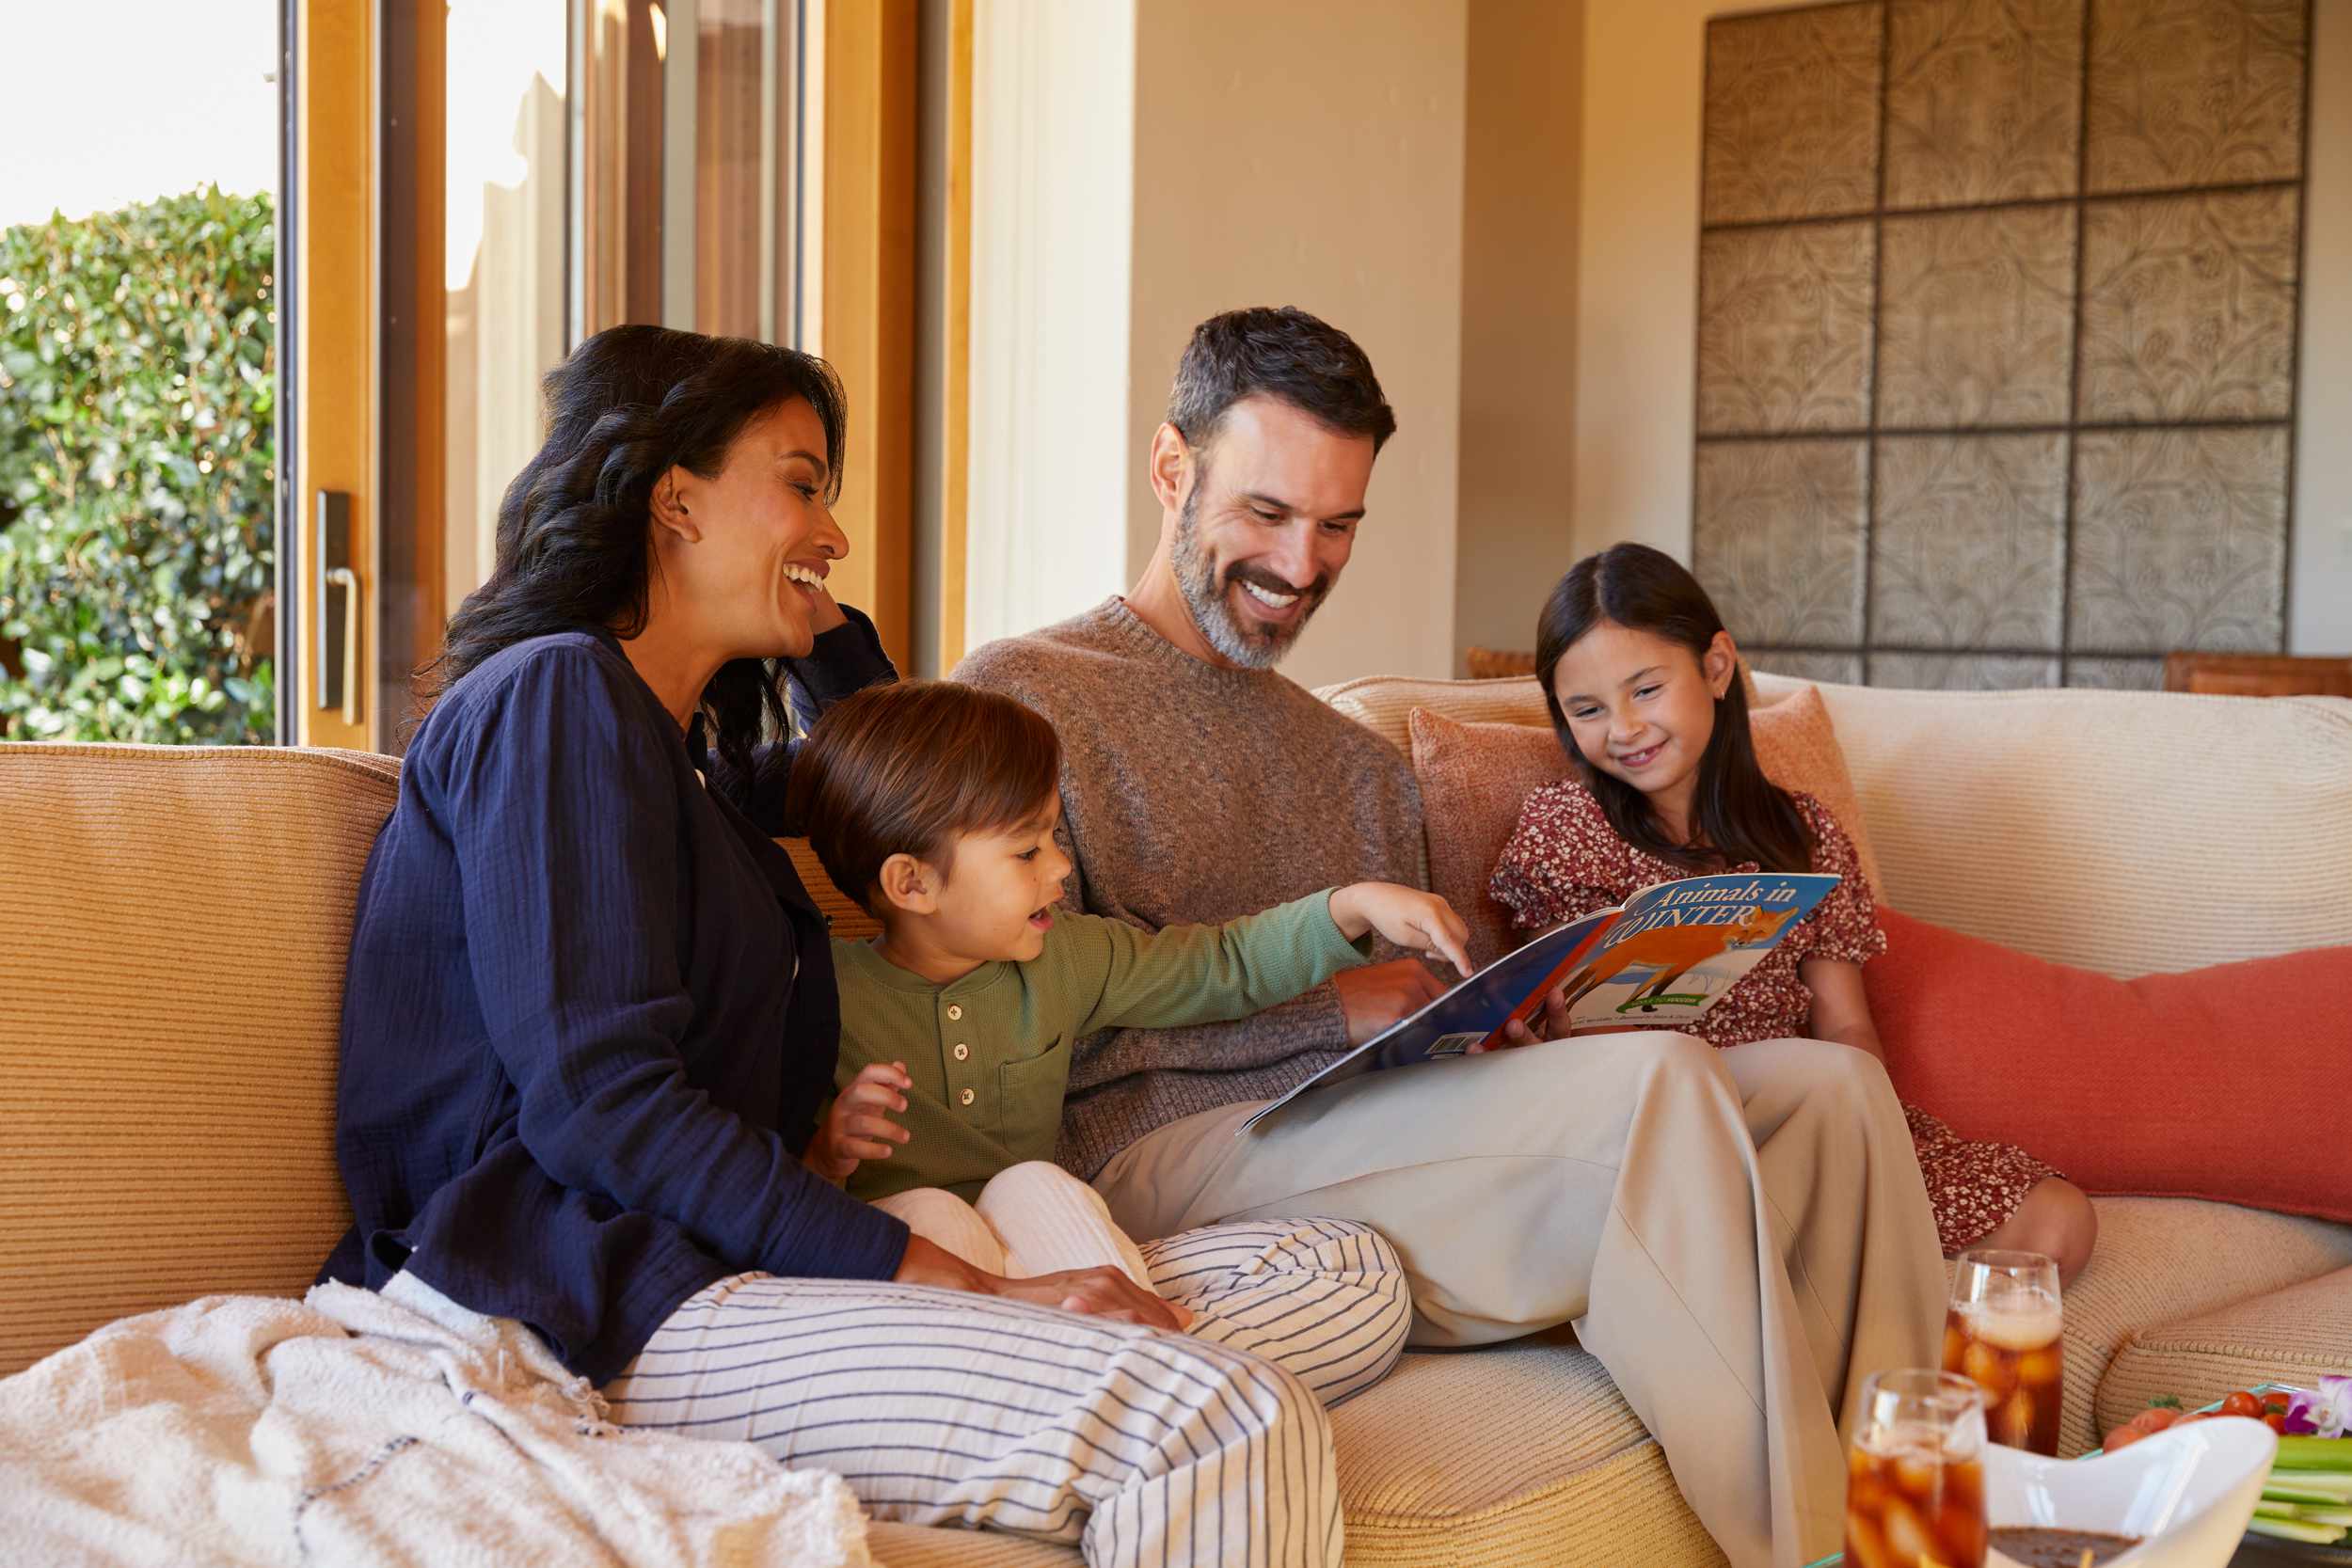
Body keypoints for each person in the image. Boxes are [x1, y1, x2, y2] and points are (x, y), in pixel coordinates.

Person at [326, 324, 1346, 1568]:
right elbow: (602, 1106)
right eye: (803, 483)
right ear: (676, 500)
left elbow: (908, 790)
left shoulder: (687, 766)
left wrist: (824, 617)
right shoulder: (554, 697)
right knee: (1222, 1412)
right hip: (564, 1290)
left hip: (711, 1268)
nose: (836, 529)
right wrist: (962, 1284)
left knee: (1339, 1281)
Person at [956, 305, 1950, 1568]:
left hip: (1376, 1125)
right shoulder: (1027, 694)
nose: (1302, 563)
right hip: (1161, 1145)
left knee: (1830, 1089)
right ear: (1171, 469)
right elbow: (1024, 1007)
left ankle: (1922, 1511)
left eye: (1338, 526)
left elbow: (1417, 1008)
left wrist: (1491, 1012)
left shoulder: (1358, 766)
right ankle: (1810, 1550)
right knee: (1658, 1082)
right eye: (1266, 513)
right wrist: (1336, 1006)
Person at [787, 678, 1462, 1403]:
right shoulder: (822, 994)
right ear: (911, 884)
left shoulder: (1067, 958)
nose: (1060, 867)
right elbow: (773, 1182)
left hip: (1032, 1240)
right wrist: (829, 1150)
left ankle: (1148, 1383)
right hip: (908, 1267)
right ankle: (1123, 1394)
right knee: (932, 1212)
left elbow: (1218, 967)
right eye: (1025, 851)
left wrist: (1351, 907)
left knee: (1038, 1182)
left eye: (1053, 836)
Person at [1489, 542, 2098, 1282]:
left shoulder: (1801, 833)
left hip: (1805, 1116)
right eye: (1587, 709)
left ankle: (1857, 1288)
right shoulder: (1565, 828)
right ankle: (1818, 1275)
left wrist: (1859, 1122)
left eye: (1645, 690)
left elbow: (1846, 1024)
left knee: (2061, 1218)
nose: (1623, 728)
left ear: (1715, 667)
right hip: (1663, 1132)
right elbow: (1559, 1017)